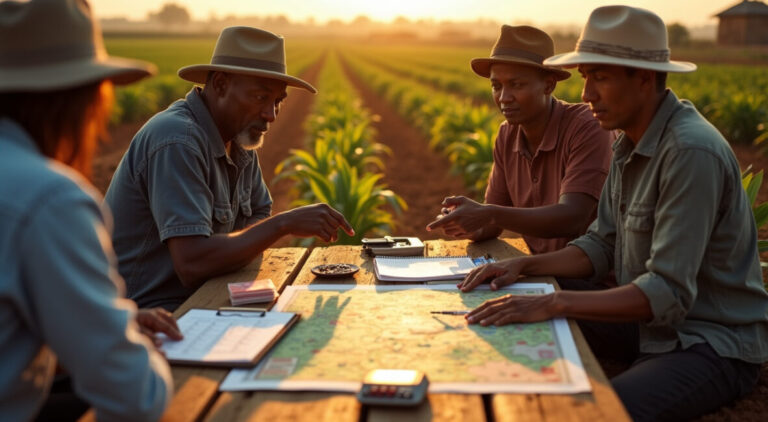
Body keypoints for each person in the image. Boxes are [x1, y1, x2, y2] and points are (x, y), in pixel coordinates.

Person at [459, 6, 768, 421]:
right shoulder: (627, 142)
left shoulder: (690, 152)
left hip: (706, 340)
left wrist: (554, 303)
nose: (587, 95)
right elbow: (600, 244)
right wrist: (525, 267)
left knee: (591, 412)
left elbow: (668, 293)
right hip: (648, 328)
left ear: (643, 78)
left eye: (600, 77)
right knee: (511, 307)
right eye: (585, 77)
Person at [0, 0, 174, 420]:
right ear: (83, 99)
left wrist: (108, 319)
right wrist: (119, 339)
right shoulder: (50, 199)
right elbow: (137, 399)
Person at [105, 27, 354, 311]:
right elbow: (192, 263)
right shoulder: (178, 140)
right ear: (221, 84)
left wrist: (238, 246)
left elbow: (259, 212)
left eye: (278, 101)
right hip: (148, 316)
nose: (270, 115)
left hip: (204, 298)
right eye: (260, 98)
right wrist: (284, 224)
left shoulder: (238, 139)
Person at [426, 25, 614, 255]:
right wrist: (466, 224)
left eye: (517, 85)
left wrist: (488, 213)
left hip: (589, 283)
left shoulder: (586, 127)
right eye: (496, 86)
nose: (504, 97)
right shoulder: (507, 134)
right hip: (539, 274)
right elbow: (493, 223)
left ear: (549, 84)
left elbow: (572, 217)